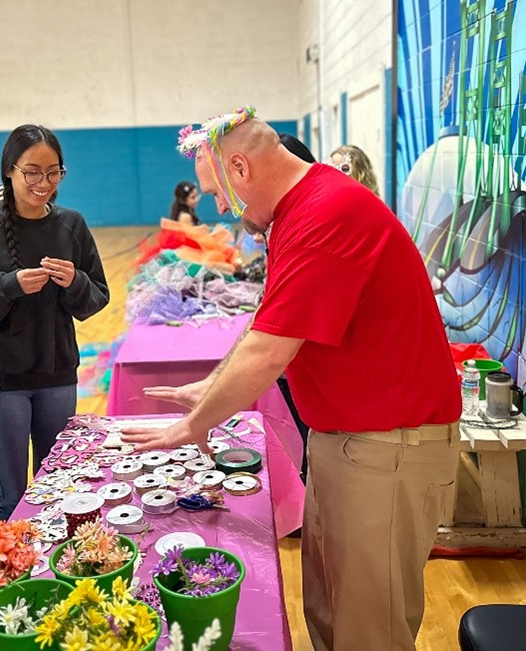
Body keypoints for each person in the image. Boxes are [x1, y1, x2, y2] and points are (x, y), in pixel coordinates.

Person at [123, 107, 461, 651]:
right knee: (331, 610)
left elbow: (268, 351)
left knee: (369, 628)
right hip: (348, 439)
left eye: (217, 194)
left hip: (387, 444)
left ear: (240, 168)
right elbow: (268, 321)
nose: (219, 208)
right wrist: (209, 390)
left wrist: (193, 424)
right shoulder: (298, 212)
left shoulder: (324, 213)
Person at [0, 124, 109, 520]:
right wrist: (7, 285)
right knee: (9, 497)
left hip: (58, 376)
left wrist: (75, 282)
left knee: (60, 489)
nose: (44, 183)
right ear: (9, 170)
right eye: (32, 172)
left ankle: (53, 575)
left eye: (54, 172)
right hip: (3, 381)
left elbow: (97, 297)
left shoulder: (72, 224)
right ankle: (9, 577)